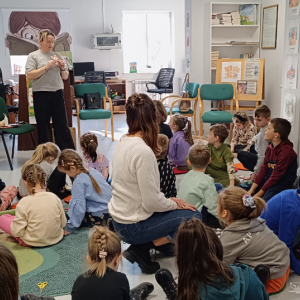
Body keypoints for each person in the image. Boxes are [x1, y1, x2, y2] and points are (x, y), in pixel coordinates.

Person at [108, 93, 201, 274]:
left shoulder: (123, 141)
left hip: (119, 219)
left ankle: (152, 244)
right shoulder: (143, 151)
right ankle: (141, 248)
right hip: (133, 227)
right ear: (153, 119)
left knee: (176, 207)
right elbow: (151, 203)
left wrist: (172, 202)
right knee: (194, 215)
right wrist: (174, 203)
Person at [155, 218, 269, 300]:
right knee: (253, 283)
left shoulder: (191, 293)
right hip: (249, 284)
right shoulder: (246, 272)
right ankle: (257, 286)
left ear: (182, 260)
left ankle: (174, 295)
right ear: (219, 248)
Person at [218, 186, 290, 294]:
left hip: (272, 280)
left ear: (224, 213)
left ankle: (254, 289)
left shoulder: (230, 237)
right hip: (284, 266)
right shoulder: (257, 220)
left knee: (217, 280)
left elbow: (220, 265)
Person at [72, 226, 154, 300]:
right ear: (117, 260)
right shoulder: (120, 279)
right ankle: (135, 296)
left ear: (89, 259)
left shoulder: (79, 281)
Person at [25, 29, 74, 150]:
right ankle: (46, 153)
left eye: (52, 41)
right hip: (41, 94)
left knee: (62, 124)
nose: (51, 44)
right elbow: (30, 75)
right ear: (40, 41)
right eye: (48, 41)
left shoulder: (57, 55)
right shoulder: (33, 56)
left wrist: (63, 68)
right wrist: (47, 66)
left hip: (57, 93)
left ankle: (67, 151)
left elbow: (65, 77)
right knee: (43, 125)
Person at [0, 164, 66, 247]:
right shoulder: (54, 197)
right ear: (45, 180)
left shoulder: (24, 202)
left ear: (26, 182)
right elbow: (63, 223)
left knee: (2, 218)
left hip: (32, 241)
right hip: (56, 237)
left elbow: (16, 232)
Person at [58, 149, 112, 235]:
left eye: (67, 172)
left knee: (67, 216)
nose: (68, 175)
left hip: (99, 214)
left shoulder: (78, 182)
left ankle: (98, 222)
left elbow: (78, 208)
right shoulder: (92, 171)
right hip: (110, 209)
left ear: (72, 168)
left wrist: (70, 228)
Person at [242, 118, 297, 201]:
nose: (265, 130)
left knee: (264, 202)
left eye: (268, 128)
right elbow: (263, 169)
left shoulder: (286, 152)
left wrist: (256, 196)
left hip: (279, 184)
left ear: (276, 135)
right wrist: (251, 190)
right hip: (268, 180)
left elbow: (275, 177)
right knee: (241, 188)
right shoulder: (270, 147)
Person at [178, 144, 220, 228]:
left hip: (180, 212)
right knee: (216, 189)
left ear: (189, 162)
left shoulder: (186, 175)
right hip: (194, 217)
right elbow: (213, 207)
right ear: (209, 161)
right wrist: (227, 220)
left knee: (217, 186)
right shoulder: (207, 180)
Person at [260, 189, 300, 276]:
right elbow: (284, 246)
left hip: (264, 231)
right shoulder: (293, 211)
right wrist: (298, 266)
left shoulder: (292, 193)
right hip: (268, 244)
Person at [235, 105, 271, 179]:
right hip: (260, 153)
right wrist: (254, 139)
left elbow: (262, 156)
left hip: (265, 162)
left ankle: (258, 174)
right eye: (255, 119)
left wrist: (255, 173)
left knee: (241, 154)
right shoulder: (265, 127)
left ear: (268, 120)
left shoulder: (263, 135)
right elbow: (258, 135)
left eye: (259, 120)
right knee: (250, 147)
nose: (256, 122)